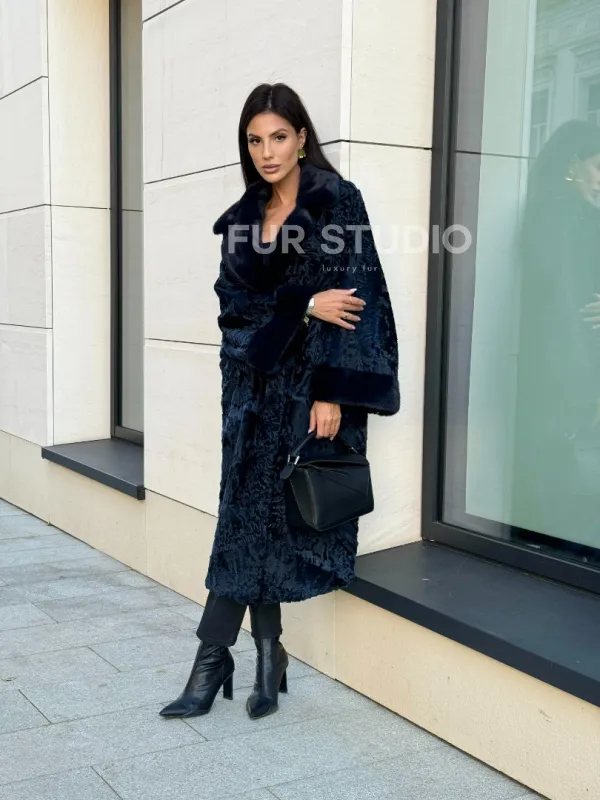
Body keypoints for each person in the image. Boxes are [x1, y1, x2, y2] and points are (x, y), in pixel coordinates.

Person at [159, 83, 400, 721]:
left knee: (253, 527)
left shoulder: (337, 202)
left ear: (301, 138)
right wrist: (304, 304)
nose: (267, 152)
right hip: (247, 395)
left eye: (278, 137)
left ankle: (213, 659)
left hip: (305, 396)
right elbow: (233, 313)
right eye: (255, 140)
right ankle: (268, 655)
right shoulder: (243, 220)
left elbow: (363, 299)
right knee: (247, 524)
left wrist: (331, 392)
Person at [512, 119, 600, 548]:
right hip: (567, 374)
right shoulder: (562, 218)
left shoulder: (571, 215)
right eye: (599, 167)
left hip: (563, 374)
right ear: (572, 165)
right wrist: (583, 386)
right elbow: (561, 307)